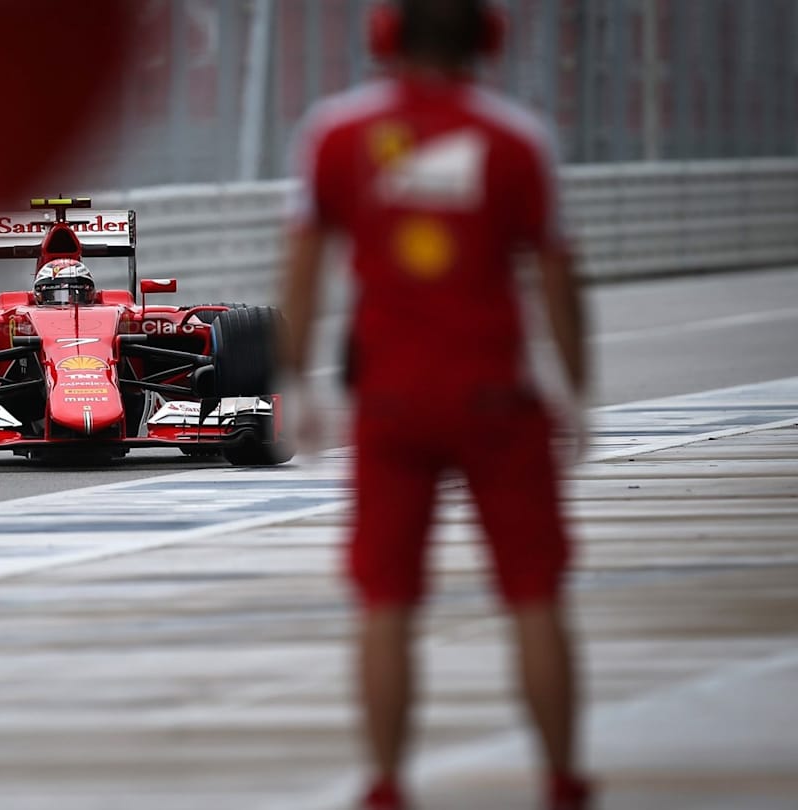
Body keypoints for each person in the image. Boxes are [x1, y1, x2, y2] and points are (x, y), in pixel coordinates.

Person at [277, 1, 592, 808]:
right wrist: (579, 390)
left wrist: (296, 380)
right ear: (488, 38)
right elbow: (557, 275)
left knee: (386, 604)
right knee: (533, 594)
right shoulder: (519, 137)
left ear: (386, 35)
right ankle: (561, 782)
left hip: (388, 403)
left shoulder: (336, 132)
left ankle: (386, 786)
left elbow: (305, 267)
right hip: (497, 400)